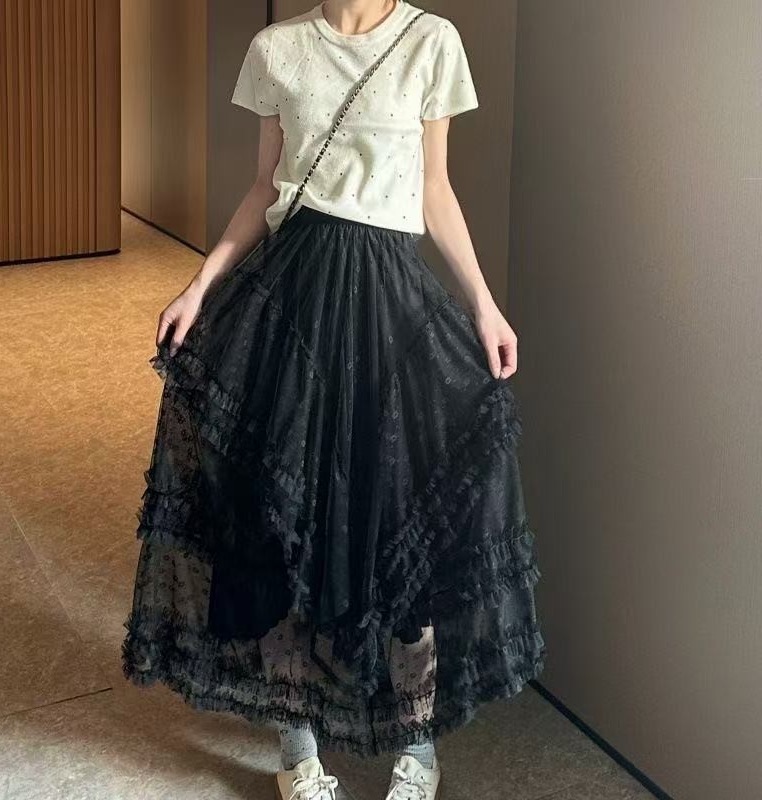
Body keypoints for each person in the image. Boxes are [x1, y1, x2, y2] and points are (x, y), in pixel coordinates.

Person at [121, 2, 547, 799]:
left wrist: (483, 305)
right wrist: (199, 285)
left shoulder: (432, 41)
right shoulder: (278, 48)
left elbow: (434, 190)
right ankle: (297, 753)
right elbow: (265, 187)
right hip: (293, 302)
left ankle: (417, 748)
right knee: (280, 524)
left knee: (402, 522)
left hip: (389, 307)